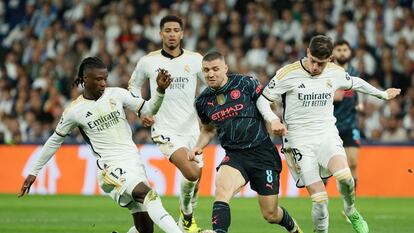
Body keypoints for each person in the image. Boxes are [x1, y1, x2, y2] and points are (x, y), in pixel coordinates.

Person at [18, 57, 183, 233]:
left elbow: (149, 110)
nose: (103, 83)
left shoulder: (117, 94)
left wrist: (159, 90)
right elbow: (54, 141)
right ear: (85, 79)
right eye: (98, 79)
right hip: (109, 168)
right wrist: (33, 171)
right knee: (150, 195)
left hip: (134, 162)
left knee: (145, 230)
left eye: (105, 78)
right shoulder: (74, 111)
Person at [260, 35, 401, 233]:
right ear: (308, 52)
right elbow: (262, 99)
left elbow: (356, 82)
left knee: (345, 176)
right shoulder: (288, 73)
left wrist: (383, 94)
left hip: (326, 134)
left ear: (330, 60)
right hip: (298, 142)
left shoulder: (335, 72)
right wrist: (273, 119)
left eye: (321, 63)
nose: (315, 67)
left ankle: (351, 210)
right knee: (319, 200)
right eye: (313, 61)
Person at [188, 51, 302, 233]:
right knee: (222, 190)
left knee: (270, 214)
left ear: (225, 68)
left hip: (262, 153)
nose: (210, 74)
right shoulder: (203, 101)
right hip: (235, 156)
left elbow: (267, 104)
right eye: (206, 70)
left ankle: (293, 228)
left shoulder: (245, 83)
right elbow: (208, 130)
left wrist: (272, 120)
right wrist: (197, 146)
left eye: (215, 69)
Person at [128, 15, 204, 233]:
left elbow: (212, 83)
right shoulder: (148, 61)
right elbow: (133, 86)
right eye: (167, 30)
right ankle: (187, 218)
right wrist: (141, 109)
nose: (172, 34)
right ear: (160, 33)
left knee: (195, 180)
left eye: (176, 30)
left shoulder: (195, 60)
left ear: (182, 33)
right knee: (191, 173)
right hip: (164, 129)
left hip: (192, 130)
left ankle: (185, 219)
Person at [332, 39, 361, 190]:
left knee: (353, 162)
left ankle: (351, 206)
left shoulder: (355, 72)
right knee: (325, 167)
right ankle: (320, 202)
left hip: (350, 123)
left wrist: (358, 103)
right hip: (331, 125)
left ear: (350, 52)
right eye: (339, 49)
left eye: (345, 50)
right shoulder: (328, 72)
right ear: (333, 52)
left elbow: (357, 93)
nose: (342, 53)